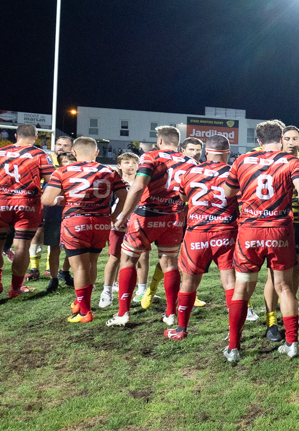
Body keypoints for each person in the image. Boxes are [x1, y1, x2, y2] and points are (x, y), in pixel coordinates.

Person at [222, 120, 299, 362]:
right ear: (281, 138)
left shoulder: (242, 161)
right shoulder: (291, 161)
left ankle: (233, 348)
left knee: (242, 287)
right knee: (284, 286)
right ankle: (291, 344)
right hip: (279, 229)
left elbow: (228, 192)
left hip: (250, 230)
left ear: (259, 141)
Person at [109, 126, 190, 327]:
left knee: (128, 259)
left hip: (147, 215)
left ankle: (123, 313)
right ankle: (171, 314)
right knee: (169, 263)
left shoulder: (150, 156)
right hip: (174, 217)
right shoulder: (190, 161)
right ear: (178, 142)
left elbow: (138, 186)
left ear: (160, 141)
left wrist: (123, 216)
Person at [41, 138, 127, 324]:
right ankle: (81, 302)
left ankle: (85, 311)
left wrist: (58, 200)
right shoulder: (109, 171)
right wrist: (114, 216)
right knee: (92, 263)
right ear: (96, 152)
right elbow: (124, 196)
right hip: (101, 221)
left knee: (79, 267)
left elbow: (46, 200)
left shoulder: (62, 171)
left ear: (74, 152)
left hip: (76, 220)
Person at [173, 135, 239, 341]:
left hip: (197, 232)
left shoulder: (190, 171)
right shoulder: (234, 172)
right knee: (230, 282)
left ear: (206, 152)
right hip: (225, 232)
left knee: (188, 281)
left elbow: (183, 197)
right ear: (228, 153)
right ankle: (234, 333)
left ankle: (181, 329)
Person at [0, 124, 55, 300]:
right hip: (26, 201)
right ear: (36, 137)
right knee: (22, 245)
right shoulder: (40, 154)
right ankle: (15, 288)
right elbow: (51, 180)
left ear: (16, 136)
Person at [264, 126, 299, 348]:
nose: (291, 142)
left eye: (295, 138)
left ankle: (289, 314)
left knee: (296, 270)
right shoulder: (272, 160)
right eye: (287, 138)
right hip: (276, 223)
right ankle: (271, 322)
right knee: (274, 275)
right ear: (281, 140)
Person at [142, 136, 205, 309]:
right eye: (191, 150)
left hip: (191, 219)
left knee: (188, 259)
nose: (195, 153)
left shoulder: (200, 168)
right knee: (169, 258)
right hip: (172, 216)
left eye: (198, 150)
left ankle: (190, 291)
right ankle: (151, 289)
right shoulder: (172, 165)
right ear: (182, 150)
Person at [28, 134, 75, 282]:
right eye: (59, 144)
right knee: (38, 233)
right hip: (44, 204)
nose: (61, 147)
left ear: (72, 148)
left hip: (63, 208)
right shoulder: (45, 159)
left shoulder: (73, 163)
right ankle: (34, 267)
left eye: (65, 145)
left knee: (61, 239)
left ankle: (51, 268)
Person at [99, 153, 141, 308]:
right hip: (118, 224)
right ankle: (107, 291)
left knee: (139, 257)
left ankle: (140, 290)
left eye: (134, 163)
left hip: (137, 224)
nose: (131, 165)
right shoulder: (114, 182)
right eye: (127, 162)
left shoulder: (142, 182)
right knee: (115, 257)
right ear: (119, 165)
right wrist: (112, 218)